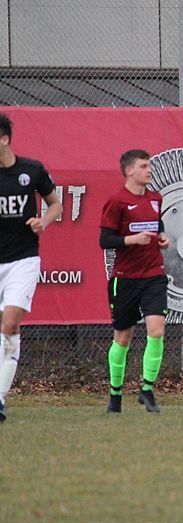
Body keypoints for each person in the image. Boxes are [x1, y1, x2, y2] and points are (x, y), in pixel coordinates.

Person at [0, 113, 62, 422]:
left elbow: (56, 204)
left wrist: (43, 222)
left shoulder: (31, 170)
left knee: (10, 325)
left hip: (23, 260)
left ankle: (0, 398)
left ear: (4, 139)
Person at [99, 149, 170, 414]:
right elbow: (105, 240)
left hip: (153, 276)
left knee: (157, 331)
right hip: (125, 279)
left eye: (149, 165)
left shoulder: (155, 198)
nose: (149, 170)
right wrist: (131, 240)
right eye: (143, 166)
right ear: (129, 171)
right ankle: (115, 395)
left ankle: (147, 389)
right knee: (122, 338)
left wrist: (162, 237)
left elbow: (157, 225)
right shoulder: (117, 202)